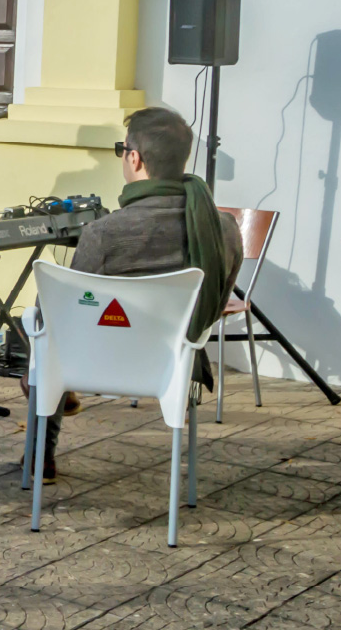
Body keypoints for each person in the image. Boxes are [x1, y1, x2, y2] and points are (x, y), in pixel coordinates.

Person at [26, 106, 244, 480]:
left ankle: (41, 459)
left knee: (43, 334)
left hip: (98, 364)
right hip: (176, 364)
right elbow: (218, 300)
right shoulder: (222, 228)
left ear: (134, 157)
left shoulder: (104, 232)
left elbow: (61, 316)